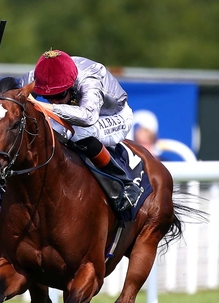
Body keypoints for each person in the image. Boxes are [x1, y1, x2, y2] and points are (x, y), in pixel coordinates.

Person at [17, 49, 141, 212]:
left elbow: (88, 117)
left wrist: (44, 105)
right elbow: (10, 92)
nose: (54, 100)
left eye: (60, 95)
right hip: (78, 112)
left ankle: (125, 184)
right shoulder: (41, 74)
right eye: (47, 96)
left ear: (71, 84)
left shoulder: (88, 78)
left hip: (112, 115)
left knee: (80, 133)